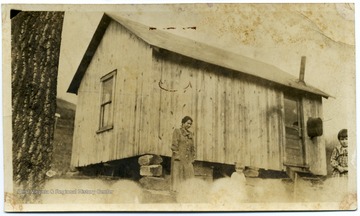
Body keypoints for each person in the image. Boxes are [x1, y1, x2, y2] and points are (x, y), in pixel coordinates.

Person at [170, 116, 196, 192]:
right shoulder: (177, 131)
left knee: (189, 173)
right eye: (188, 123)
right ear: (183, 123)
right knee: (178, 174)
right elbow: (174, 145)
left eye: (190, 124)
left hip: (188, 158)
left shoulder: (190, 134)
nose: (189, 125)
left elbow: (192, 146)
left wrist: (193, 156)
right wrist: (178, 156)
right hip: (179, 158)